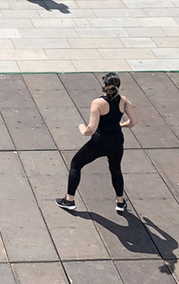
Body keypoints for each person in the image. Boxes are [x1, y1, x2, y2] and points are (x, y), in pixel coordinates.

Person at [56, 73, 137, 212]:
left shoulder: (98, 103)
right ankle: (120, 202)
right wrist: (120, 126)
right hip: (116, 141)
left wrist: (82, 129)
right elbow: (134, 122)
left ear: (104, 85)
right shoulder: (123, 101)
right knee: (115, 169)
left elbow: (91, 129)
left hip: (100, 143)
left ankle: (69, 200)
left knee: (76, 164)